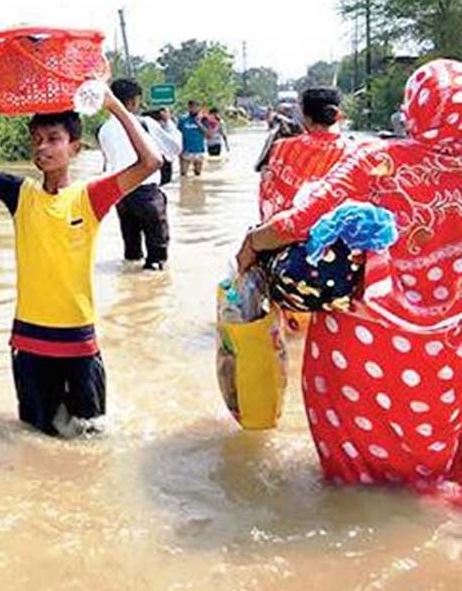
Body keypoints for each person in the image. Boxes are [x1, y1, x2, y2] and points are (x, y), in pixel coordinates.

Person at [236, 59, 462, 490]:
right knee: (433, 439)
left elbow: (298, 221)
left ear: (416, 108)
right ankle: (425, 498)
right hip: (448, 346)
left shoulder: (380, 160)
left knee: (357, 461)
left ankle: (357, 499)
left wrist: (250, 245)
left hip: (368, 336)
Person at [0, 86, 162, 438]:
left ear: (75, 148)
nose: (42, 147)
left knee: (91, 438)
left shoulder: (90, 197)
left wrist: (114, 107)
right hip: (29, 342)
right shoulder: (20, 194)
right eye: (36, 140)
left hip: (78, 341)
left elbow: (151, 163)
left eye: (53, 139)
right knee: (33, 439)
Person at [98, 79, 181, 270]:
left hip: (120, 193)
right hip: (147, 193)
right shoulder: (145, 123)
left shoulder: (103, 130)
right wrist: (168, 122)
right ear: (133, 101)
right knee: (156, 261)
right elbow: (175, 148)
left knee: (131, 254)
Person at [258, 86, 354, 221]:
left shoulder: (281, 147)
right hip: (339, 230)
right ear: (337, 116)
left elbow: (269, 192)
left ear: (306, 117)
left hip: (290, 229)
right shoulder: (354, 150)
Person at [178, 100, 210, 176]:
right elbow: (178, 133)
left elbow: (209, 134)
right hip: (185, 150)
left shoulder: (204, 119)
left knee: (198, 174)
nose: (193, 109)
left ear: (199, 108)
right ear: (188, 107)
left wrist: (198, 123)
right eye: (191, 107)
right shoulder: (183, 119)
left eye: (195, 107)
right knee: (183, 174)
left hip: (199, 149)